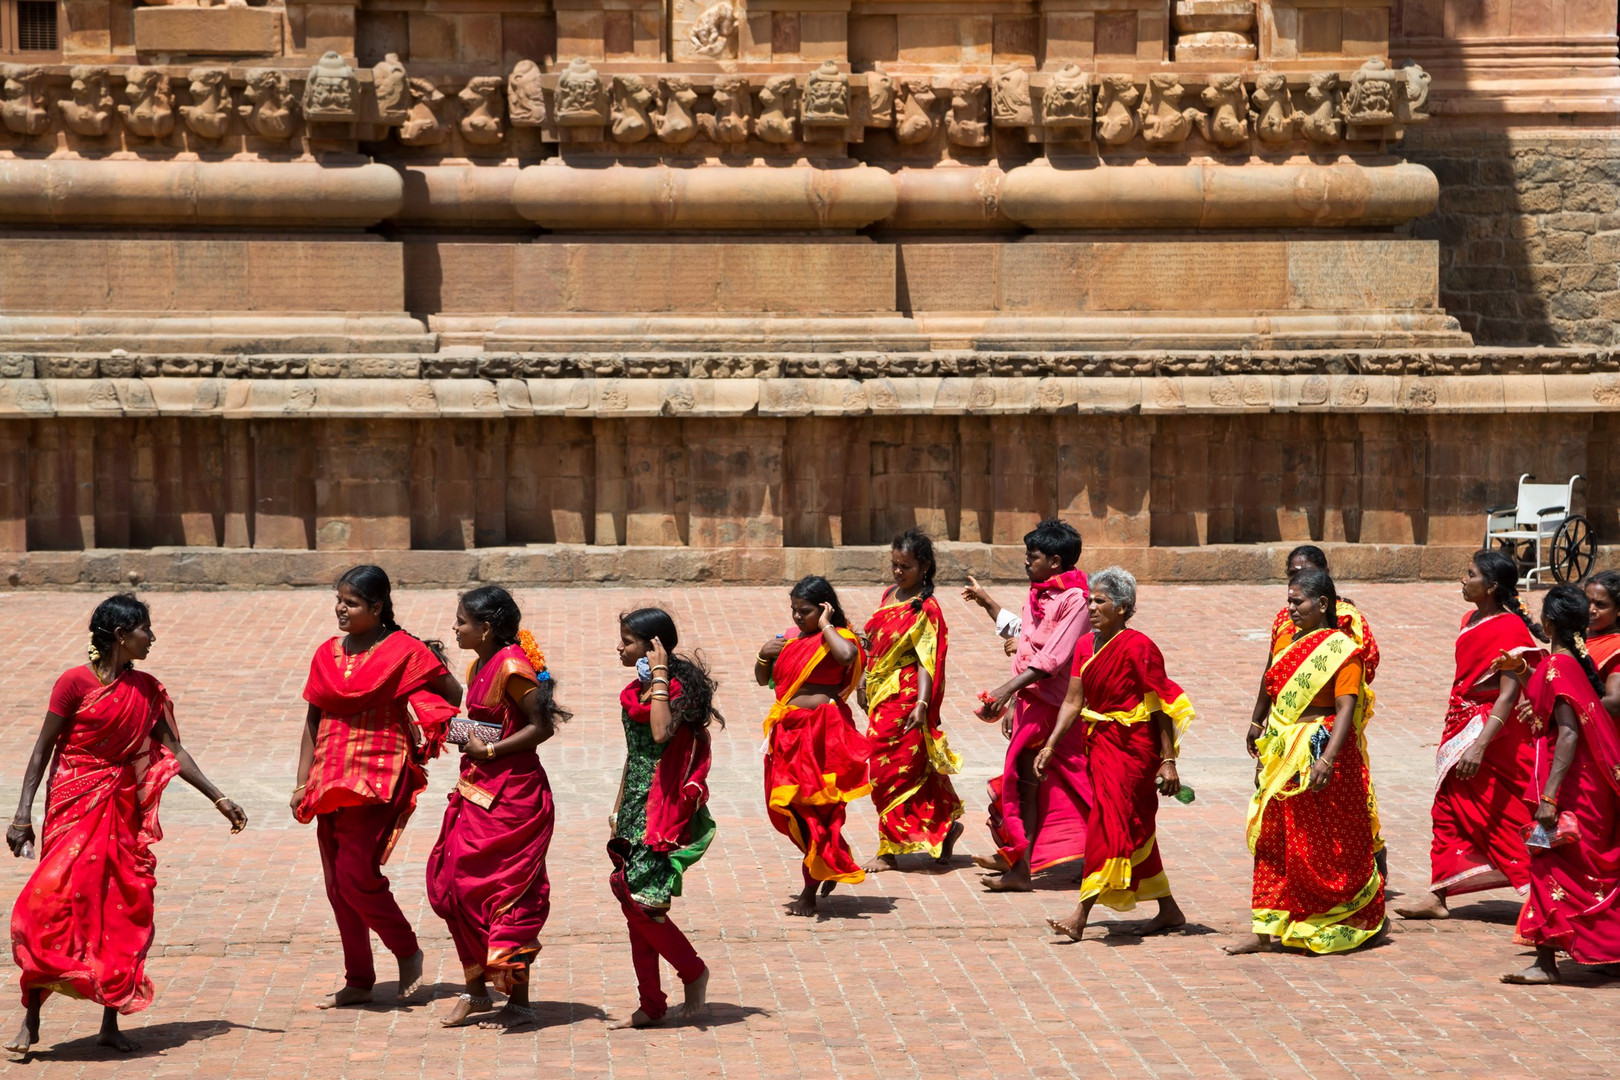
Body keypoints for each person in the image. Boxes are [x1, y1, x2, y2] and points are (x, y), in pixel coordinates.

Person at [6, 595, 247, 1056]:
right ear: (120, 636)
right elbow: (42, 750)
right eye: (145, 630)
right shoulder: (73, 683)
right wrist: (21, 815)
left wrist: (220, 797)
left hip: (119, 811)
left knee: (119, 908)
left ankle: (110, 1021)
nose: (151, 638)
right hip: (72, 805)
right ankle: (32, 1018)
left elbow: (174, 751)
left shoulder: (148, 689)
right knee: (48, 907)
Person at [293, 565, 462, 1009]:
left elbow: (451, 691)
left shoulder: (404, 651)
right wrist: (301, 780)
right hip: (328, 775)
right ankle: (359, 978)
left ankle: (407, 951)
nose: (340, 609)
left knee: (355, 874)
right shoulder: (327, 653)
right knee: (336, 882)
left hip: (379, 774)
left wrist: (424, 708)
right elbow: (313, 718)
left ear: (376, 607)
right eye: (338, 600)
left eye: (350, 602)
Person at [427, 586, 568, 1030]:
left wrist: (489, 751)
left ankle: (519, 1000)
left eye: (462, 621)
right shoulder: (479, 662)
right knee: (454, 888)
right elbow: (486, 722)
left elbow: (540, 726)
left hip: (515, 798)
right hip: (476, 791)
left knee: (507, 894)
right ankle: (476, 991)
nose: (455, 627)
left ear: (486, 627)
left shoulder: (512, 666)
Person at [1226, 568, 1386, 955]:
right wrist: (1258, 725)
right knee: (1274, 838)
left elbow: (1347, 707)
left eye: (1298, 601)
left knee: (1317, 844)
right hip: (1283, 748)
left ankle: (1321, 916)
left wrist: (1327, 759)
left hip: (1317, 749)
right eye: (1289, 601)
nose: (1291, 608)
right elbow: (1270, 684)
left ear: (1323, 604)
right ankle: (1264, 928)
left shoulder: (1343, 650)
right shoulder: (1290, 642)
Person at [1038, 567, 1194, 942]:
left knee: (1108, 825)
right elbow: (1074, 700)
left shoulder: (1140, 647)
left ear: (1123, 608)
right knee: (1131, 827)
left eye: (1100, 601)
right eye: (1090, 600)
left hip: (1135, 749)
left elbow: (1160, 707)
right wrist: (1051, 743)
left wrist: (1168, 760)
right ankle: (1169, 909)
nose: (1090, 607)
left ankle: (1081, 914)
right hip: (1100, 743)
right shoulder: (1083, 647)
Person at [1397, 551, 1544, 920]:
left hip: (1489, 734)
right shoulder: (1469, 619)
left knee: (1497, 814)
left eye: (1470, 574)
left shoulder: (1510, 629)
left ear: (1491, 586)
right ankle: (1439, 895)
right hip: (1458, 725)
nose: (1463, 580)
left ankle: (1538, 893)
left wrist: (1479, 745)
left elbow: (1509, 695)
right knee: (1446, 808)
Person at [962, 519, 1092, 892]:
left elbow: (1051, 660)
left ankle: (1109, 853)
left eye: (1031, 557)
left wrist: (1005, 690)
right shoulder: (1038, 592)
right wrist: (1015, 699)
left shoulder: (1076, 601)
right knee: (1029, 784)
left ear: (1054, 561)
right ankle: (1020, 861)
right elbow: (1026, 641)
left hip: (1059, 708)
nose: (1025, 562)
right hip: (1032, 703)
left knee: (1072, 783)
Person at [608, 608, 722, 1028]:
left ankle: (692, 971)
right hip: (634, 807)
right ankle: (651, 1003)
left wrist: (658, 675)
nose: (620, 648)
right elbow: (634, 752)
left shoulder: (675, 691)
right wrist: (619, 804)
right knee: (633, 904)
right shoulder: (633, 690)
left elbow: (659, 733)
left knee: (645, 904)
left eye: (628, 641)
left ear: (653, 646)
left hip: (664, 810)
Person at [1501, 584, 1620, 983]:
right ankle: (1596, 951)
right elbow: (1553, 689)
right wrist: (1522, 671)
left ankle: (1546, 964)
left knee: (1551, 862)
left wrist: (1550, 797)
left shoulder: (1560, 665)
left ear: (1549, 623)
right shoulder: (1567, 664)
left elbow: (1567, 732)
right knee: (1581, 871)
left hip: (1572, 787)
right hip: (1586, 785)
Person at [756, 575, 870, 917]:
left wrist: (824, 625)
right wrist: (763, 655)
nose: (796, 617)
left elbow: (848, 655)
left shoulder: (840, 637)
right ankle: (825, 863)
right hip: (788, 732)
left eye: (803, 611)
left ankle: (810, 886)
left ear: (823, 608)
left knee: (817, 810)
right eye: (793, 610)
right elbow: (764, 679)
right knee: (789, 808)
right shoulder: (789, 640)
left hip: (822, 734)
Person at [1271, 544, 1387, 879]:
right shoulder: (1284, 622)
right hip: (1286, 734)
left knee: (1344, 813)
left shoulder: (1347, 626)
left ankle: (1363, 875)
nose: (1292, 603)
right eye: (1291, 575)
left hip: (1330, 731)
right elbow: (1272, 672)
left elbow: (1361, 674)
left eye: (1304, 576)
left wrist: (1330, 751)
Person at [858, 528, 965, 872]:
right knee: (916, 768)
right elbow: (875, 645)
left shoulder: (927, 609)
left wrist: (921, 704)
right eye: (895, 565)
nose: (898, 572)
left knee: (887, 770)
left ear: (925, 567)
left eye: (905, 566)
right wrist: (862, 680)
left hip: (904, 700)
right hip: (878, 693)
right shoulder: (890, 594)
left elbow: (926, 661)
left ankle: (888, 851)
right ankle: (946, 826)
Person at [1583, 570, 1620, 715]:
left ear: (1618, 610)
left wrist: (1564, 707)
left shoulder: (1616, 647)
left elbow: (1615, 703)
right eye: (1587, 602)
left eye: (1600, 605)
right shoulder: (1579, 638)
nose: (1591, 610)